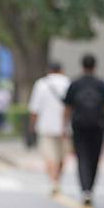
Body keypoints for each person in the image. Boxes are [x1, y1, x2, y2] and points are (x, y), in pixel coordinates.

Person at [64, 54, 104, 206]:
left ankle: (85, 189)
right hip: (98, 126)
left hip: (79, 126)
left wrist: (64, 125)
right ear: (95, 66)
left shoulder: (75, 84)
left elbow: (68, 107)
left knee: (82, 157)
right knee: (94, 158)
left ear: (82, 66)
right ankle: (90, 188)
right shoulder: (102, 84)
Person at [28, 62, 71, 195]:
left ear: (49, 70)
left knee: (50, 156)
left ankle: (53, 182)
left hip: (46, 126)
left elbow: (35, 108)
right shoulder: (68, 83)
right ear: (62, 70)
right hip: (66, 127)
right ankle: (58, 179)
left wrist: (32, 126)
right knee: (62, 156)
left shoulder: (41, 84)